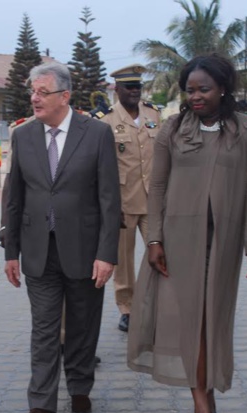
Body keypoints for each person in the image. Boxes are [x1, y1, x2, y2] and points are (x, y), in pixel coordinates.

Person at [127, 54, 247, 413]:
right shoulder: (172, 129)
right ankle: (201, 406)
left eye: (203, 89)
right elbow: (156, 187)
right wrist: (154, 239)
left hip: (222, 245)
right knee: (189, 324)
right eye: (189, 90)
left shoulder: (245, 132)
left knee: (211, 322)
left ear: (223, 88)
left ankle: (206, 390)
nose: (196, 96)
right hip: (177, 243)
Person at [4, 62, 121, 413]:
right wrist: (9, 250)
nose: (35, 99)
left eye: (42, 92)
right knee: (44, 328)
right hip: (39, 249)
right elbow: (13, 196)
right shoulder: (23, 136)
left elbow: (109, 199)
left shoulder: (97, 133)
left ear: (65, 96)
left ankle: (81, 387)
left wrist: (107, 253)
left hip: (85, 249)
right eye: (32, 92)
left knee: (84, 324)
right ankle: (42, 405)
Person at [97, 64, 161, 332]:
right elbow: (101, 167)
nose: (135, 92)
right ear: (117, 89)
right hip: (123, 203)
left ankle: (156, 304)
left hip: (154, 201)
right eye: (129, 87)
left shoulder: (154, 114)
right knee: (123, 261)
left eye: (138, 86)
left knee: (159, 255)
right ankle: (127, 308)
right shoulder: (105, 121)